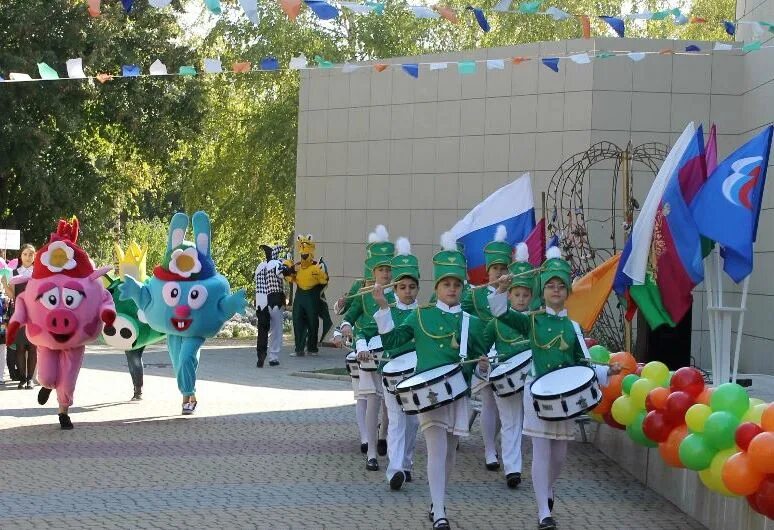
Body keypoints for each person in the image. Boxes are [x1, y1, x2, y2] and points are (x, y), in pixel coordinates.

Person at [487, 247, 621, 530]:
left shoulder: (573, 327)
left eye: (561, 286)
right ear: (543, 291)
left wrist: (606, 370)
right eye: (550, 286)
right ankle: (542, 511)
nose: (556, 290)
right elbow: (502, 313)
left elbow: (581, 362)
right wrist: (500, 290)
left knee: (559, 457)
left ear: (567, 292)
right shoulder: (532, 320)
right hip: (537, 394)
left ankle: (547, 489)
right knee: (541, 452)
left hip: (566, 398)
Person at [374, 232, 489, 530]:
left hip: (458, 394)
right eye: (446, 284)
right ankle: (439, 511)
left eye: (456, 284)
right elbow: (395, 340)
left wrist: (485, 365)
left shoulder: (471, 322)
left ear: (462, 288)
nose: (452, 289)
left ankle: (438, 500)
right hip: (429, 396)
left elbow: (481, 355)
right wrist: (384, 309)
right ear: (437, 287)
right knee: (437, 450)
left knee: (449, 453)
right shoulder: (422, 316)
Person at [338, 225, 394, 471]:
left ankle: (386, 441)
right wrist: (348, 329)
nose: (385, 273)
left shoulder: (397, 293)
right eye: (381, 269)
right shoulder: (363, 293)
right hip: (367, 353)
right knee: (371, 400)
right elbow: (349, 316)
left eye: (388, 269)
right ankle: (371, 450)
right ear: (373, 271)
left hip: (391, 355)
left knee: (390, 404)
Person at [480, 242, 533, 489]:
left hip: (532, 378)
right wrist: (483, 360)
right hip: (506, 379)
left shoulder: (537, 320)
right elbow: (482, 347)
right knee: (511, 422)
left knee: (526, 424)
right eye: (516, 295)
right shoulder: (497, 322)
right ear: (508, 295)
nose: (521, 300)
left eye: (525, 295)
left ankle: (522, 463)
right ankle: (513, 470)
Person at [461, 225, 510, 471]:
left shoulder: (516, 295)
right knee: (489, 400)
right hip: (482, 356)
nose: (500, 273)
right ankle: (490, 449)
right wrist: (473, 353)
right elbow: (462, 324)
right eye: (495, 269)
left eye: (503, 268)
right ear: (488, 272)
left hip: (507, 355)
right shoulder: (474, 296)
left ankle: (496, 443)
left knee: (504, 403)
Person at [378, 237, 420, 491]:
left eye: (411, 286)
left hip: (416, 374)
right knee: (395, 421)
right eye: (402, 287)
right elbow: (389, 342)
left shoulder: (423, 313)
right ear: (395, 289)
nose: (407, 291)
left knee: (413, 422)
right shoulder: (389, 311)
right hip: (393, 374)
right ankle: (394, 470)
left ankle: (405, 463)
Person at [281, 235, 328, 356]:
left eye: (306, 249)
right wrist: (287, 268)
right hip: (300, 296)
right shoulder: (296, 267)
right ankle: (299, 348)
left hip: (312, 296)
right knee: (297, 321)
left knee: (313, 322)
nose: (304, 252)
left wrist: (322, 273)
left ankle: (312, 348)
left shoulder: (317, 266)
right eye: (302, 248)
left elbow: (324, 281)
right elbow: (289, 278)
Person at [2, 244, 37, 389]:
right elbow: (13, 296)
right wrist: (4, 284)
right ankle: (22, 379)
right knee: (21, 347)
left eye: (31, 254)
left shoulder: (39, 272)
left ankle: (30, 379)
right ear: (20, 256)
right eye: (25, 254)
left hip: (36, 315)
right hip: (20, 314)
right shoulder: (14, 272)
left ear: (35, 256)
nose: (28, 257)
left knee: (33, 347)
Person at [255, 244, 287, 367]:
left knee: (262, 330)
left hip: (261, 302)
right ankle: (273, 356)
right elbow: (282, 273)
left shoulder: (261, 267)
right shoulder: (276, 264)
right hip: (275, 299)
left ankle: (261, 354)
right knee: (276, 329)